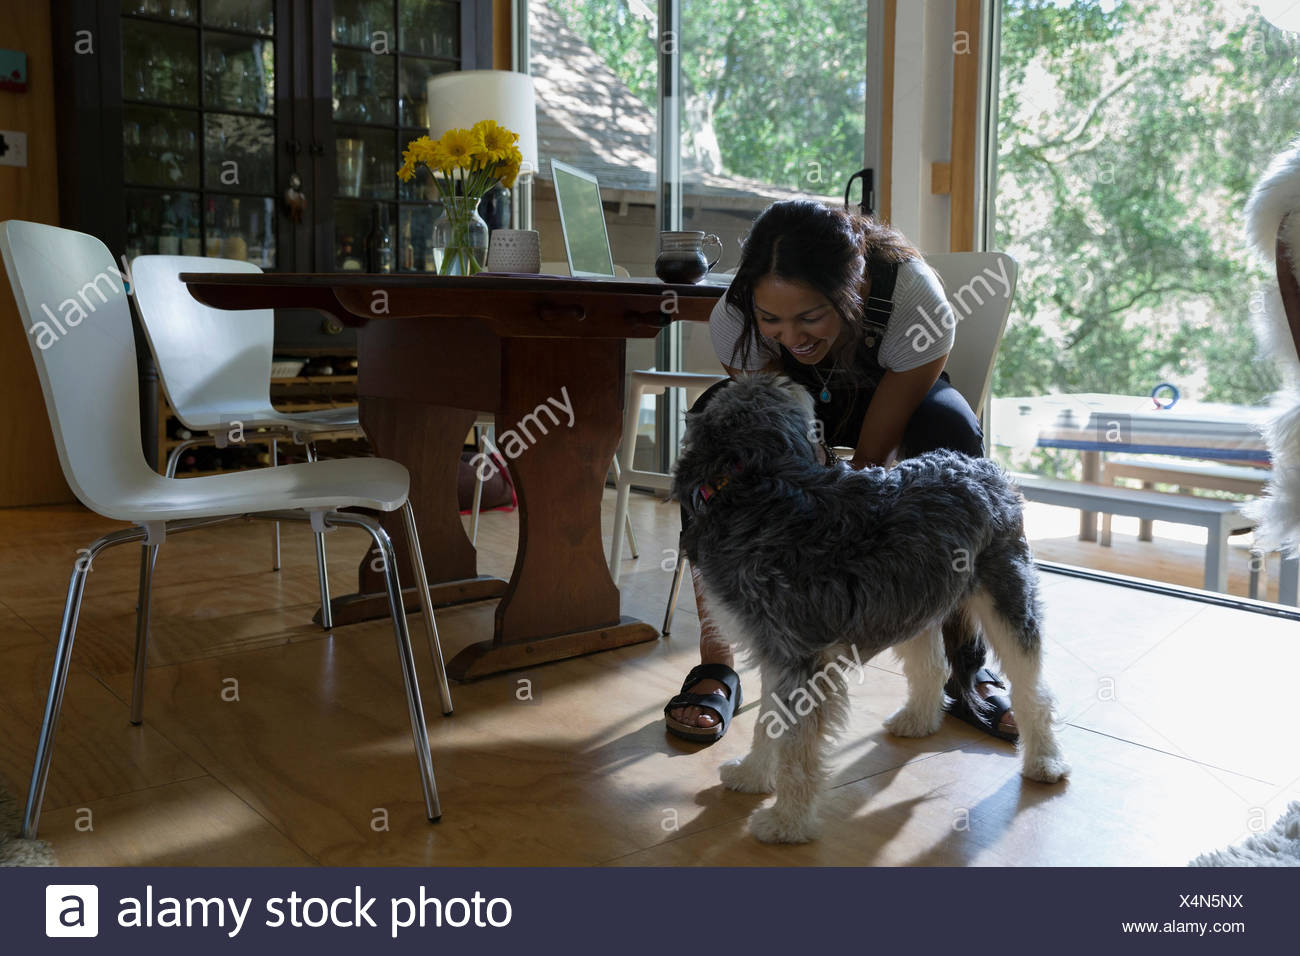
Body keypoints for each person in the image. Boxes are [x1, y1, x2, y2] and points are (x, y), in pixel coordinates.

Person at [663, 199, 1018, 744]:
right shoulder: (733, 319)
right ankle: (718, 660)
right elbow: (770, 422)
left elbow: (870, 470)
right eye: (773, 320)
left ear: (854, 291)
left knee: (951, 433)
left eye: (810, 316)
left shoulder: (914, 299)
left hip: (890, 388)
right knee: (718, 432)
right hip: (800, 398)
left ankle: (964, 670)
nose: (792, 335)